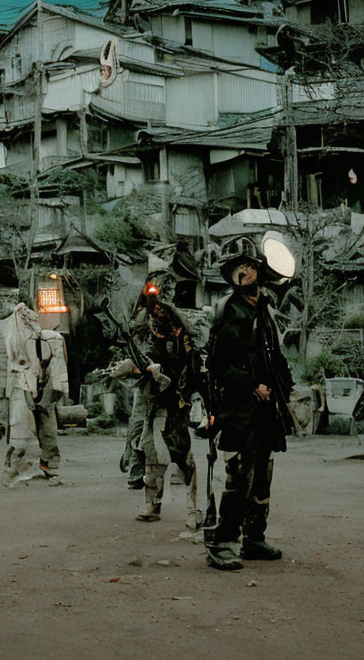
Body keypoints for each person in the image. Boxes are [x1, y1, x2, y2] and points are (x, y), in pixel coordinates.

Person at [204, 241, 294, 572]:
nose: (242, 273)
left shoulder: (263, 306)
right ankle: (221, 543)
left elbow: (273, 354)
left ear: (257, 268)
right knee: (239, 477)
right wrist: (250, 385)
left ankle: (254, 538)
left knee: (262, 476)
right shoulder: (229, 310)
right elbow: (217, 365)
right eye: (234, 270)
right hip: (240, 409)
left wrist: (282, 387)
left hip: (267, 408)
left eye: (247, 266)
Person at [110, 285, 201, 527]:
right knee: (153, 453)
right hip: (155, 403)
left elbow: (191, 372)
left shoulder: (185, 340)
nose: (156, 314)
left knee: (182, 457)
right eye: (154, 310)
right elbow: (146, 362)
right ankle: (152, 503)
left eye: (161, 309)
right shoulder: (151, 335)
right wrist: (135, 369)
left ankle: (193, 508)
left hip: (177, 404)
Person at [0, 303, 67, 485]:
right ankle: (12, 467)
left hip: (44, 383)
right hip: (22, 384)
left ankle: (50, 464)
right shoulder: (12, 341)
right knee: (19, 426)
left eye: (30, 317)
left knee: (47, 425)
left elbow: (59, 368)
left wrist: (55, 390)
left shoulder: (51, 338)